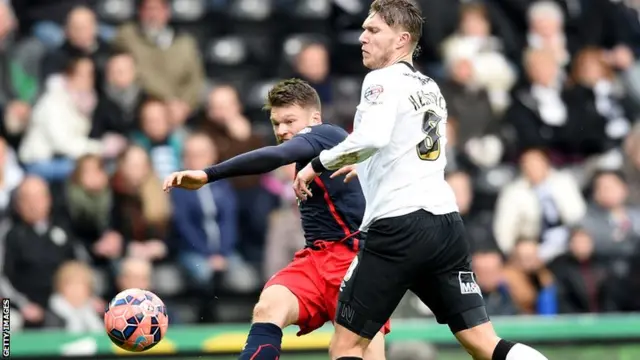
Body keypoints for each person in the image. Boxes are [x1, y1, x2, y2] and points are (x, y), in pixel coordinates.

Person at [292, 1, 550, 360]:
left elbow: (372, 137)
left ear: (401, 40)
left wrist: (316, 164)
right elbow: (407, 149)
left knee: (347, 344)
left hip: (398, 226)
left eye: (373, 30)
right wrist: (364, 166)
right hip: (444, 224)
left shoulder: (380, 79)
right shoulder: (429, 86)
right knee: (483, 342)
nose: (363, 38)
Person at [162, 78, 389, 360]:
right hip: (316, 260)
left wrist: (208, 174)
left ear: (314, 118)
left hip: (355, 262)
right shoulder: (310, 153)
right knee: (268, 308)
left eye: (289, 121)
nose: (281, 131)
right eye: (276, 123)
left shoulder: (327, 134)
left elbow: (276, 156)